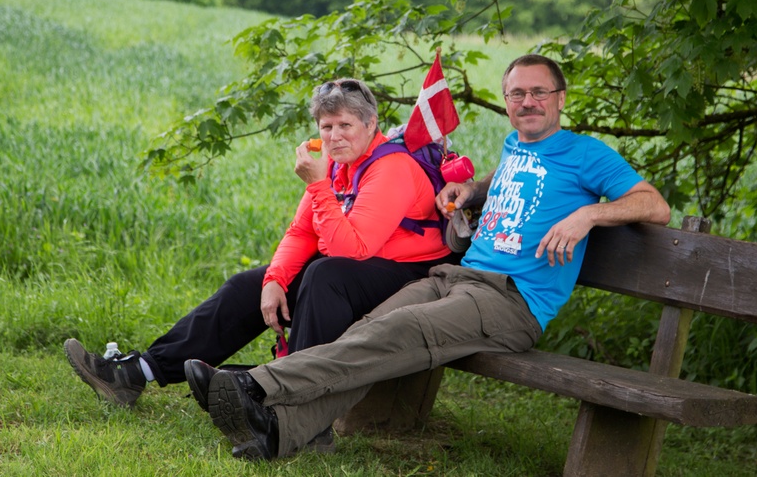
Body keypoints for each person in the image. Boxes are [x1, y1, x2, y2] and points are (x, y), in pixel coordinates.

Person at [183, 53, 672, 460]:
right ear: (506, 102)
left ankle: (253, 386)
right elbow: (506, 184)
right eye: (517, 94)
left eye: (539, 92)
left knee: (395, 333)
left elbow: (655, 205)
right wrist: (470, 190)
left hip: (512, 302)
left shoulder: (587, 154)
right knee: (368, 331)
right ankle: (284, 435)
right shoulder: (516, 146)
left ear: (559, 99)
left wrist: (587, 215)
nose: (528, 102)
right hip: (456, 277)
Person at [64, 78, 458, 420]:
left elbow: (351, 250)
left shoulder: (391, 168)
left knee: (325, 276)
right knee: (246, 286)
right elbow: (302, 232)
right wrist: (274, 280)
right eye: (326, 126)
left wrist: (317, 186)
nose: (335, 136)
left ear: (371, 125)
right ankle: (137, 374)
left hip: (406, 275)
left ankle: (293, 401)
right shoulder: (340, 164)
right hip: (357, 264)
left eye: (345, 125)